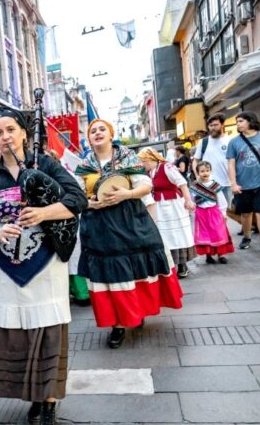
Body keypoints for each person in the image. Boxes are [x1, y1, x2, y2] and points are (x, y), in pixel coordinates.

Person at [0, 106, 87, 425]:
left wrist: (42, 212)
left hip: (45, 263)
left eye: (10, 130)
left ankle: (49, 410)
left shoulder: (46, 165)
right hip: (5, 267)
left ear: (23, 132)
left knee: (48, 332)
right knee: (19, 336)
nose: (5, 137)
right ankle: (36, 393)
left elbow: (77, 198)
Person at [76, 119, 183, 349]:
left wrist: (126, 194)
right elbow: (75, 196)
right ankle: (117, 325)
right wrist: (89, 204)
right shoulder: (84, 164)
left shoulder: (126, 157)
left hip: (128, 220)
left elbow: (146, 187)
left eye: (102, 129)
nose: (97, 133)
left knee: (133, 269)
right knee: (109, 275)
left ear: (111, 133)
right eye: (92, 130)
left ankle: (136, 311)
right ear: (88, 138)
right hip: (98, 226)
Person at [138, 148, 197, 278]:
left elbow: (182, 183)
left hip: (173, 206)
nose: (142, 164)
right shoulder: (151, 172)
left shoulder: (167, 167)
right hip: (159, 207)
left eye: (143, 161)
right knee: (164, 235)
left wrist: (188, 200)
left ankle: (182, 265)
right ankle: (169, 265)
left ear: (151, 159)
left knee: (177, 234)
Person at [227, 111, 260, 253]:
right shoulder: (234, 142)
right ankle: (247, 237)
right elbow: (231, 164)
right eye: (237, 122)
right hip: (242, 184)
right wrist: (234, 183)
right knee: (246, 213)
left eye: (241, 121)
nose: (238, 124)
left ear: (250, 121)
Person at [191, 161, 234, 264]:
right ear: (198, 172)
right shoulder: (195, 187)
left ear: (210, 171)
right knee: (205, 234)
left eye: (207, 170)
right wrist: (192, 210)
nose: (205, 173)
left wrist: (223, 212)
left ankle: (221, 255)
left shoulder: (215, 185)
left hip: (214, 212)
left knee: (218, 233)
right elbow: (192, 200)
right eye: (202, 171)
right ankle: (208, 255)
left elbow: (221, 199)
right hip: (201, 213)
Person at [192, 113, 232, 206]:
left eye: (216, 125)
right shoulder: (204, 141)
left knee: (224, 213)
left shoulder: (230, 141)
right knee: (209, 212)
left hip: (225, 184)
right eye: (210, 125)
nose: (213, 128)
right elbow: (195, 160)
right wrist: (197, 175)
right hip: (208, 184)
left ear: (222, 125)